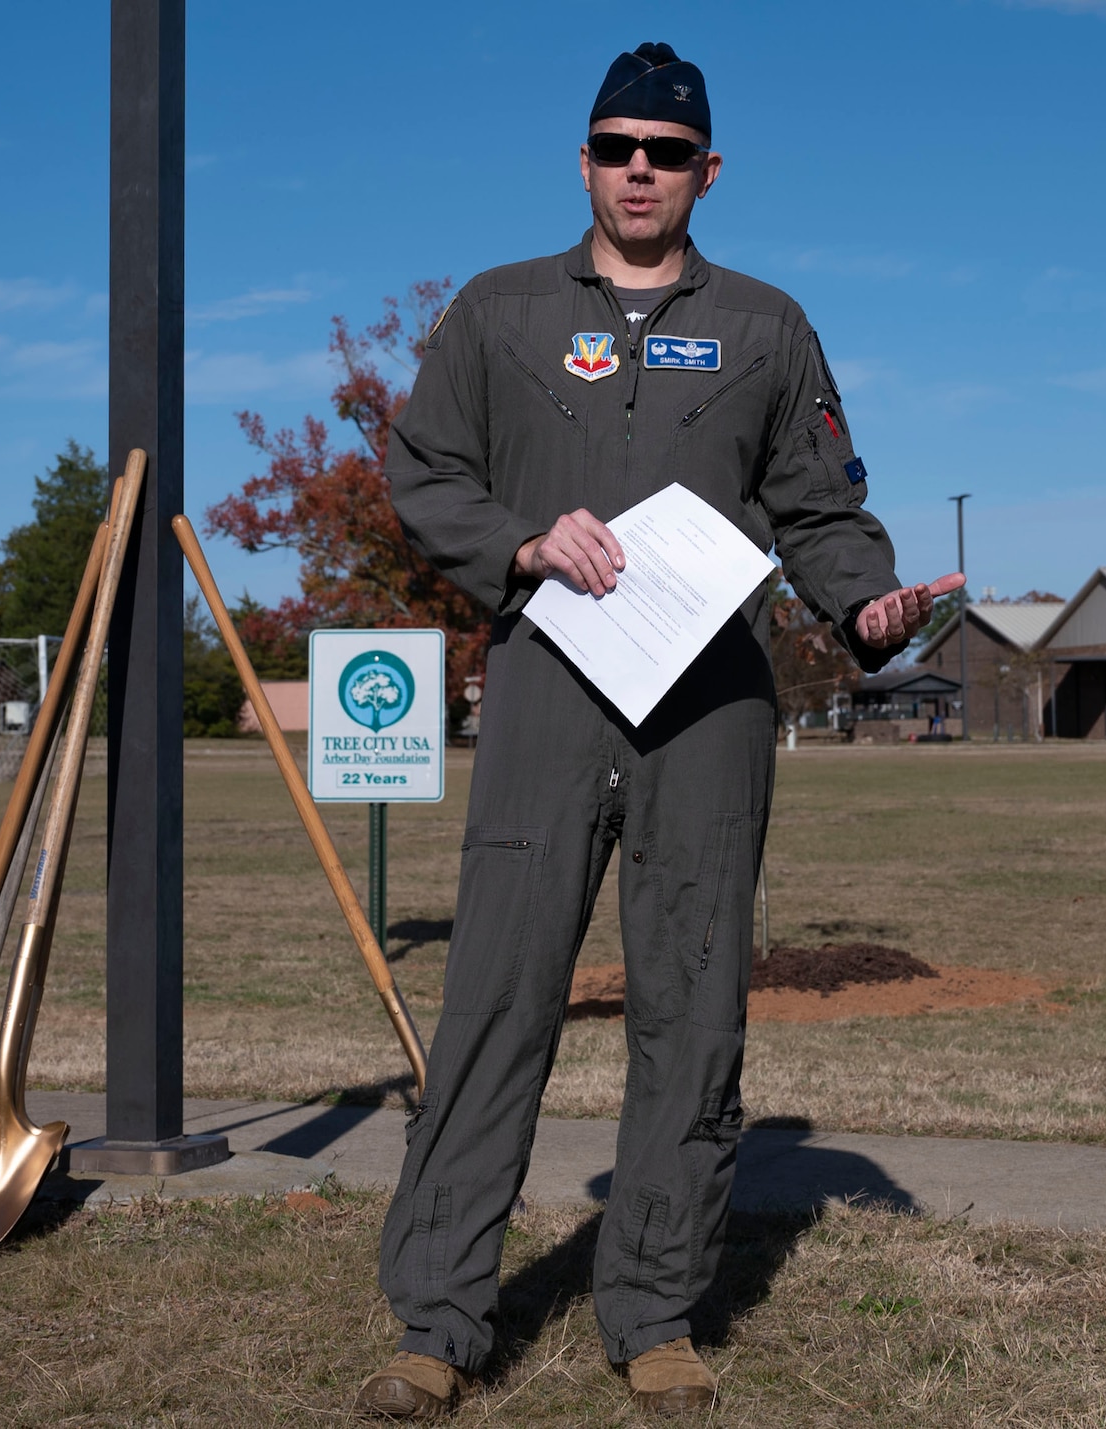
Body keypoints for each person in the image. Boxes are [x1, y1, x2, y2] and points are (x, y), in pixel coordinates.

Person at [359, 42, 962, 1418]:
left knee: (691, 1010)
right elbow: (421, 470)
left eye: (668, 151)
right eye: (618, 146)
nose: (641, 169)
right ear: (582, 159)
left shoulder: (765, 326)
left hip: (710, 707)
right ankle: (439, 1320)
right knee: (498, 1003)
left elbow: (818, 509)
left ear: (708, 171)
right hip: (547, 694)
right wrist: (517, 539)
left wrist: (868, 612)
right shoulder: (500, 315)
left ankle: (654, 1310)